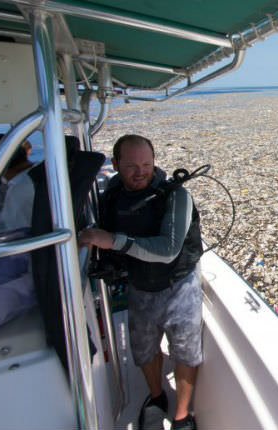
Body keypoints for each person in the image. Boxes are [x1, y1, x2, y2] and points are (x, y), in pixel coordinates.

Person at [78, 134, 204, 430]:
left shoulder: (176, 196)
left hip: (179, 287)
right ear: (115, 164)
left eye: (146, 164)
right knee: (144, 349)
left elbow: (168, 249)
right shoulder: (112, 194)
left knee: (185, 350)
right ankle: (157, 396)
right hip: (139, 286)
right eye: (132, 165)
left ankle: (182, 415)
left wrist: (112, 241)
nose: (140, 171)